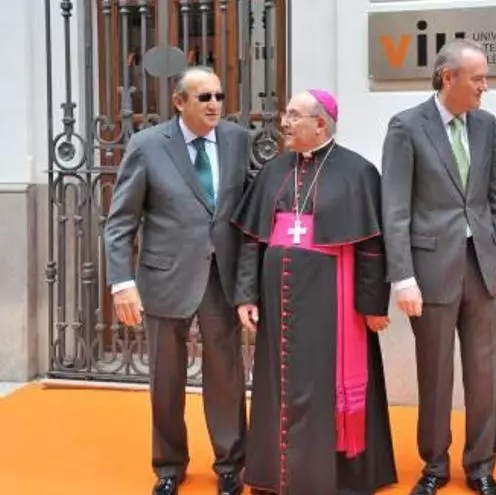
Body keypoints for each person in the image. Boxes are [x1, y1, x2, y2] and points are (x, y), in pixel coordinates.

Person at [231, 89, 397, 495]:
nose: (284, 123)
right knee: (277, 380)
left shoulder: (358, 172)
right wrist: (246, 294)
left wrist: (372, 304)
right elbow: (252, 239)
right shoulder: (273, 170)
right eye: (285, 114)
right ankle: (275, 472)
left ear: (320, 123)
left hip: (332, 299)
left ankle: (336, 474)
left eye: (293, 115)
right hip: (278, 297)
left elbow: (371, 246)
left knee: (327, 380)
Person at [104, 66, 249, 495]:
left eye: (219, 96)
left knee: (226, 375)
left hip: (220, 278)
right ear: (179, 102)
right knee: (166, 378)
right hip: (164, 277)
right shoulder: (148, 145)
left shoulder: (237, 140)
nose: (214, 105)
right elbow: (120, 222)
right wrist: (121, 282)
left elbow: (249, 209)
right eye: (204, 97)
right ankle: (169, 465)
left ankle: (231, 465)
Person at [381, 38, 496, 495]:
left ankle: (481, 467)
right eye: (478, 78)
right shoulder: (406, 126)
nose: (485, 86)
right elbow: (395, 208)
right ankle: (434, 466)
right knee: (435, 376)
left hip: (482, 269)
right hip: (430, 272)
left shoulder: (486, 125)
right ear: (448, 77)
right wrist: (403, 277)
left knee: (485, 376)